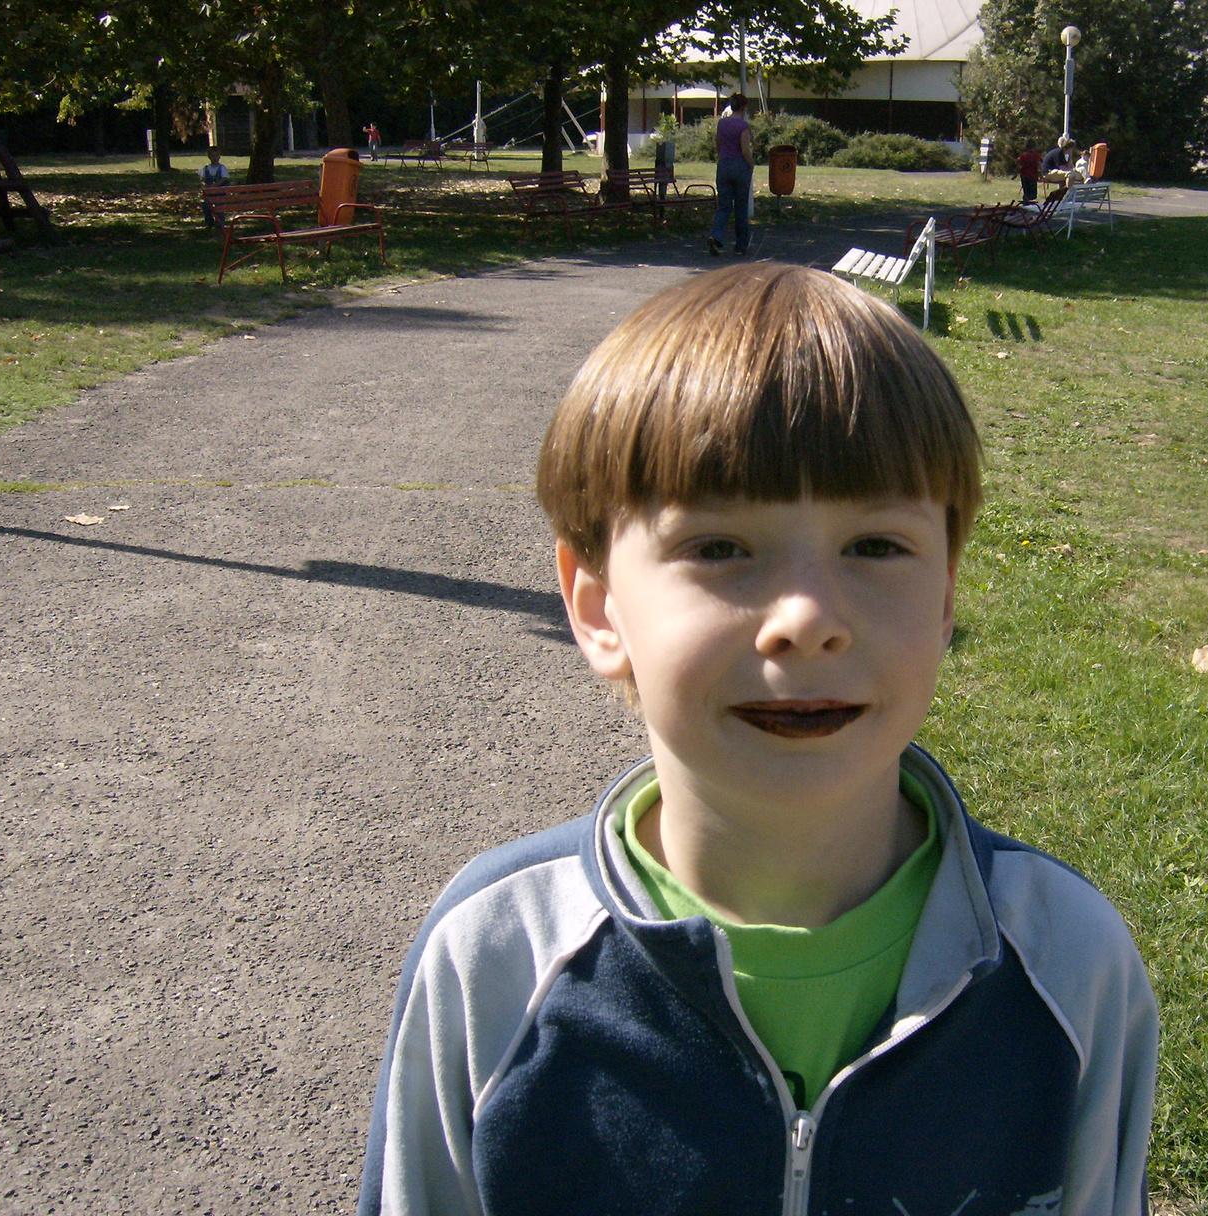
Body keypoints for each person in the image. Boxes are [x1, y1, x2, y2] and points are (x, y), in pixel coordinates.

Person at [357, 262, 1159, 1216]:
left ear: (947, 595)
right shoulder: (493, 961)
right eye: (720, 548)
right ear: (598, 606)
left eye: (876, 546)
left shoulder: (1070, 965)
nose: (807, 619)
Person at [709, 92, 754, 256]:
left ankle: (716, 236)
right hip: (740, 166)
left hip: (724, 165)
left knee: (724, 206)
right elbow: (745, 149)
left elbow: (718, 145)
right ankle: (741, 246)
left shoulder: (722, 124)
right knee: (741, 207)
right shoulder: (743, 126)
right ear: (743, 107)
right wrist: (751, 165)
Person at [198, 146, 229, 228]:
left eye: (216, 156)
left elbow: (224, 178)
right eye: (212, 156)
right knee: (206, 207)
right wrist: (205, 184)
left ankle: (220, 223)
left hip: (219, 194)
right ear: (209, 156)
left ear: (219, 156)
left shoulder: (222, 168)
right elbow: (202, 179)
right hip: (209, 194)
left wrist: (215, 185)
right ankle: (209, 223)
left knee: (219, 208)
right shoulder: (206, 168)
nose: (215, 158)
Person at [1016, 139, 1043, 203]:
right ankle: (1028, 198)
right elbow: (1039, 165)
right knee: (1033, 194)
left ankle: (1026, 198)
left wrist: (1015, 174)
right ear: (1034, 146)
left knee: (1026, 190)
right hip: (1032, 176)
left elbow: (1019, 166)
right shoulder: (1036, 155)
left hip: (1024, 176)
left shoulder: (1023, 155)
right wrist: (1041, 175)